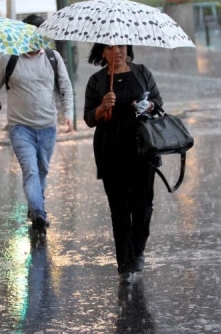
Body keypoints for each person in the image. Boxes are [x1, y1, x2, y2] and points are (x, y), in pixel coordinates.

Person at [0, 14, 73, 236]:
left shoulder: (53, 58)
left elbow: (66, 88)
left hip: (48, 126)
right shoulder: (8, 59)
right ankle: (39, 213)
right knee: (30, 170)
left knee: (42, 170)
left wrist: (68, 114)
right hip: (20, 128)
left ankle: (36, 209)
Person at [83, 44, 163, 285]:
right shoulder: (97, 81)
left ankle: (138, 250)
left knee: (143, 207)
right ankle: (124, 264)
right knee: (119, 209)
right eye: (110, 47)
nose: (117, 51)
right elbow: (88, 118)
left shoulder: (142, 72)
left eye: (122, 46)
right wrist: (102, 107)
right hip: (111, 152)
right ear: (102, 53)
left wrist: (147, 105)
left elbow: (158, 102)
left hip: (142, 149)